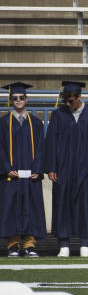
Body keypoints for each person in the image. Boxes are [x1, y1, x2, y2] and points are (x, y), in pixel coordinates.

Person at [44, 80, 88, 257]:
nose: (68, 104)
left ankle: (85, 243)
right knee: (62, 204)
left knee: (85, 205)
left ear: (79, 97)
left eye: (71, 100)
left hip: (85, 168)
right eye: (66, 101)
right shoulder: (58, 115)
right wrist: (51, 167)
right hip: (63, 167)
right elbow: (51, 142)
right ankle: (64, 244)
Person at [0, 82, 46, 257]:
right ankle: (13, 244)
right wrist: (6, 168)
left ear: (27, 99)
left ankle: (29, 245)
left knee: (31, 207)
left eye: (21, 98)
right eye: (15, 98)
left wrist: (38, 169)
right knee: (10, 208)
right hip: (10, 175)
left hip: (30, 174)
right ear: (11, 100)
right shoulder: (3, 123)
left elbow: (42, 148)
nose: (18, 100)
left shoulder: (36, 123)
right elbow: (1, 148)